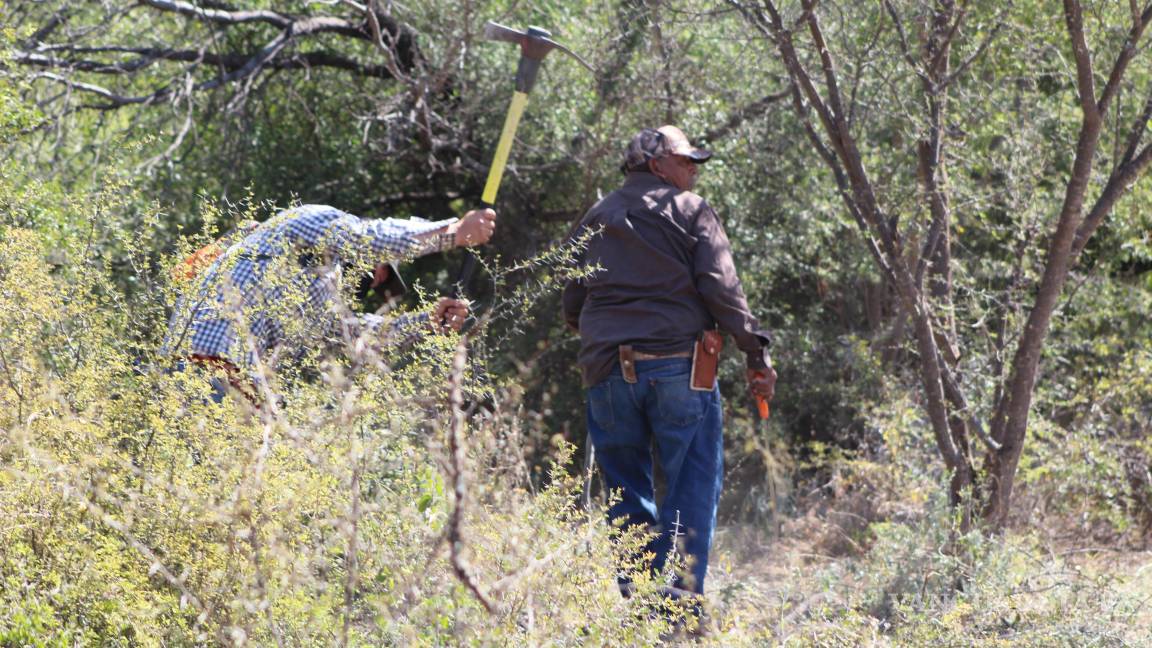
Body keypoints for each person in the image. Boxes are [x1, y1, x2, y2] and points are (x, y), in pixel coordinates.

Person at [562, 126, 777, 597]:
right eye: (686, 161)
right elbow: (722, 291)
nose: (693, 171)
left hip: (605, 375)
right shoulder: (691, 211)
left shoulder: (595, 216)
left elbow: (571, 307)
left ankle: (641, 607)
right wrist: (756, 353)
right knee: (691, 486)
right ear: (657, 165)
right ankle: (675, 611)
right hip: (680, 368)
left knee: (625, 493)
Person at [163, 203, 496, 401]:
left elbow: (354, 336)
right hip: (206, 361)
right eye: (380, 270)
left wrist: (426, 324)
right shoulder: (313, 219)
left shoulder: (317, 295)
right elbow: (367, 240)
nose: (374, 281)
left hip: (223, 378)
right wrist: (453, 232)